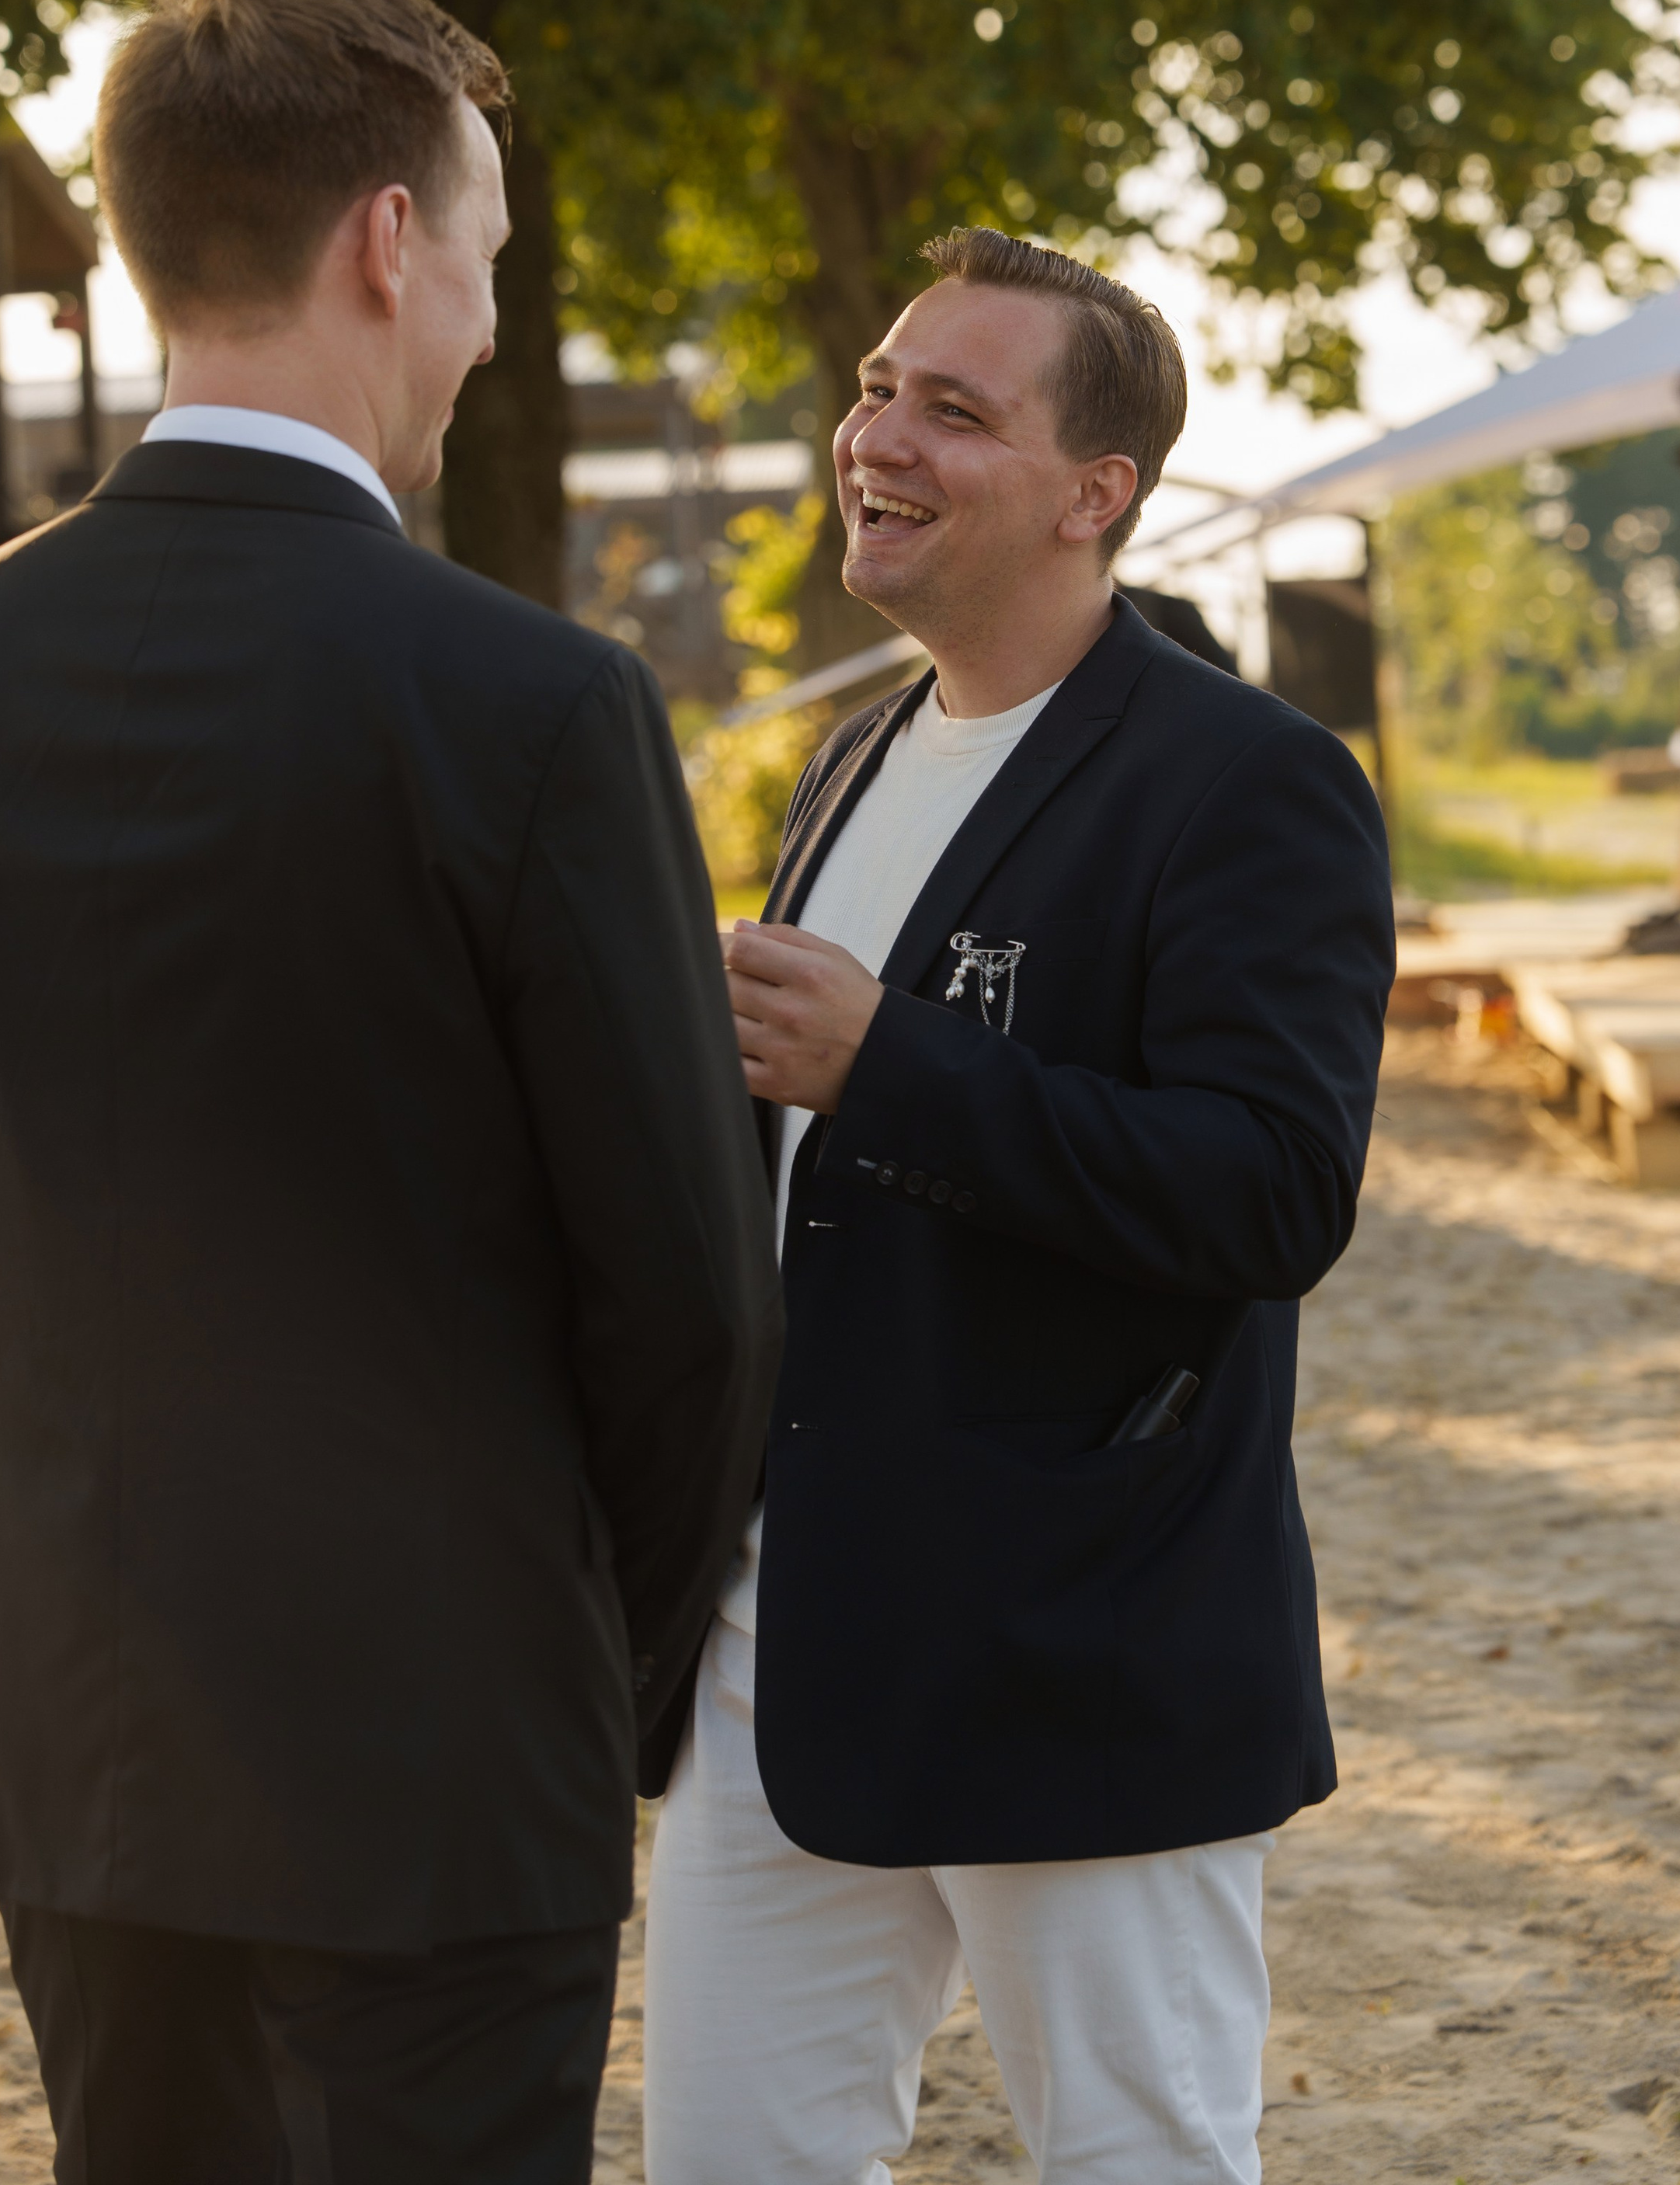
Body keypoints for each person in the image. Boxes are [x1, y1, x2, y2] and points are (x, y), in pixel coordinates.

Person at [0, 0, 781, 2185]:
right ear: (389, 241)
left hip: (77, 1732)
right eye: (481, 253)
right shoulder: (535, 706)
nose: (481, 319)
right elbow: (685, 1291)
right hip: (440, 1745)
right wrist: (600, 1686)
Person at [641, 228, 1393, 2185]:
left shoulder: (1251, 784)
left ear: (1094, 494)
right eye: (880, 386)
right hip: (782, 1637)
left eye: (948, 409)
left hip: (1081, 1639)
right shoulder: (847, 755)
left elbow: (1273, 1191)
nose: (873, 432)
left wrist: (887, 1062)